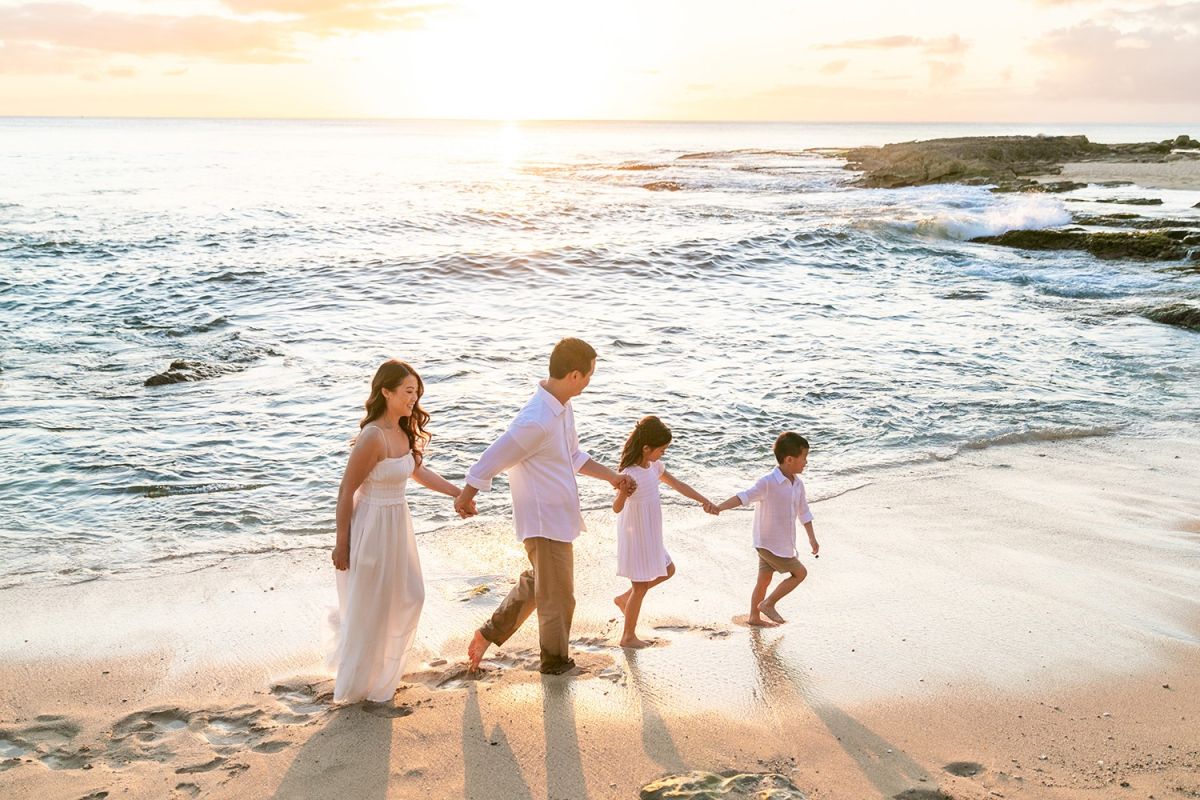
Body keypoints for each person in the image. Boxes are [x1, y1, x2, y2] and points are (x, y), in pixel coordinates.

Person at [454, 337, 635, 675]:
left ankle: (487, 634)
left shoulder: (561, 408)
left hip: (557, 515)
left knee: (542, 585)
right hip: (543, 518)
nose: (591, 382)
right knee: (559, 598)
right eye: (591, 375)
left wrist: (613, 477)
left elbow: (574, 456)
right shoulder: (537, 419)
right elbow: (493, 456)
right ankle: (555, 663)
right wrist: (467, 494)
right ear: (575, 375)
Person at [330, 359, 461, 703]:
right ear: (385, 392)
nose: (413, 399)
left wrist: (458, 493)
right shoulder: (372, 436)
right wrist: (341, 544)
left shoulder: (403, 431)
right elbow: (346, 491)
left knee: (410, 595)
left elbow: (419, 472)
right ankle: (357, 687)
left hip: (397, 524)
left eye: (416, 392)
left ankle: (384, 674)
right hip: (371, 525)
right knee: (371, 606)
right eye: (407, 391)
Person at [611, 415, 716, 648]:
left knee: (668, 570)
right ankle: (628, 636)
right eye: (662, 450)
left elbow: (678, 485)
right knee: (640, 586)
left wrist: (703, 500)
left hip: (650, 532)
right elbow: (617, 508)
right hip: (635, 534)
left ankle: (624, 599)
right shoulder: (629, 473)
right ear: (646, 448)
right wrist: (622, 492)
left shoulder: (655, 466)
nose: (663, 454)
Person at [714, 432, 819, 627]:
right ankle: (769, 604)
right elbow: (744, 497)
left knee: (763, 580)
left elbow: (804, 512)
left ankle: (754, 617)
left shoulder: (798, 484)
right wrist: (720, 507)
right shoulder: (768, 482)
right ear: (789, 459)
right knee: (800, 573)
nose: (806, 462)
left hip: (779, 543)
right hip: (769, 544)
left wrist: (812, 538)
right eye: (804, 458)